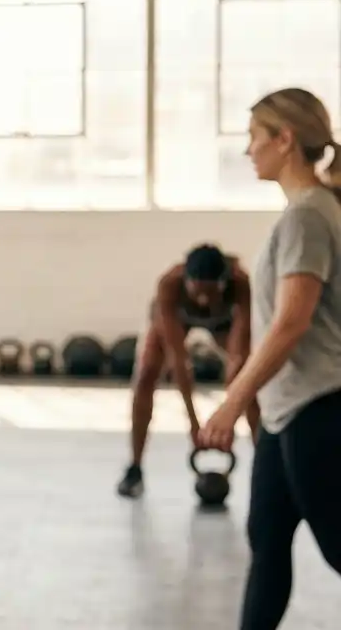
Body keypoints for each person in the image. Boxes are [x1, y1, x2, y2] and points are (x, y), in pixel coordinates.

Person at [195, 87, 341, 630]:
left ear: (285, 140)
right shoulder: (308, 212)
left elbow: (290, 324)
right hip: (286, 415)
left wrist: (232, 402)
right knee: (268, 539)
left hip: (317, 408)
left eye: (254, 136)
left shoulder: (308, 217)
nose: (247, 149)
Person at [116, 244, 255, 498]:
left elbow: (238, 360)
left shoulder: (240, 283)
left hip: (224, 323)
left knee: (251, 380)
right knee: (145, 374)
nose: (203, 300)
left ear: (223, 283)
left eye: (211, 293)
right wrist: (194, 424)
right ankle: (134, 468)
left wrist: (228, 419)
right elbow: (178, 360)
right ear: (187, 282)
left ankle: (266, 468)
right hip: (175, 320)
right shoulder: (169, 284)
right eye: (198, 292)